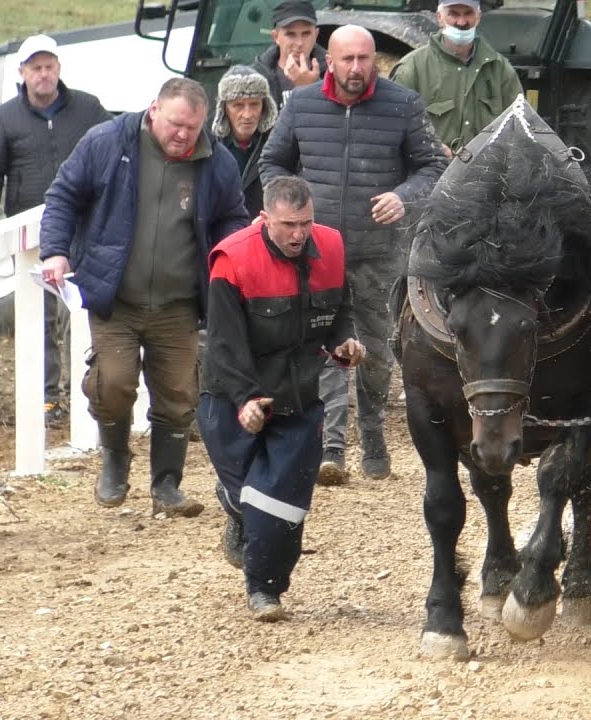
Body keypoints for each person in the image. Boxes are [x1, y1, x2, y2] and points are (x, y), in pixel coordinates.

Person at [39, 78, 249, 516]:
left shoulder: (217, 162)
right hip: (116, 296)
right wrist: (56, 251)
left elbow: (233, 217)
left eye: (192, 128)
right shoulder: (107, 142)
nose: (182, 135)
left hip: (179, 301)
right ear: (154, 110)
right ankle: (115, 459)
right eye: (175, 124)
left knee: (178, 392)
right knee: (112, 382)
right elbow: (63, 195)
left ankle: (167, 484)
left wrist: (227, 261)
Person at [260, 25, 447, 485]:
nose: (358, 68)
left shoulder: (403, 104)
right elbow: (272, 163)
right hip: (318, 251)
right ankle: (332, 448)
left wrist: (405, 196)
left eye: (366, 59)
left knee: (378, 351)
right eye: (348, 59)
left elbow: (434, 165)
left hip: (379, 250)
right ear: (331, 60)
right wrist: (292, 208)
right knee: (326, 347)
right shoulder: (301, 106)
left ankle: (374, 433)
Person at [198, 176, 364, 621]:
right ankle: (234, 502)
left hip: (297, 399)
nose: (299, 235)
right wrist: (245, 400)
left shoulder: (330, 247)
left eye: (306, 223)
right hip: (230, 397)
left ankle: (265, 590)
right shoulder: (232, 260)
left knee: (279, 507)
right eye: (288, 225)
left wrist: (345, 342)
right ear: (264, 218)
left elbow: (339, 311)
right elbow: (224, 344)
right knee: (249, 497)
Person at [0, 34, 110, 427]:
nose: (43, 74)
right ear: (22, 73)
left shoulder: (88, 108)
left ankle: (86, 390)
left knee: (81, 310)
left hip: (84, 226)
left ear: (58, 69)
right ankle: (48, 398)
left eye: (49, 66)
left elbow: (114, 150)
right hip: (29, 233)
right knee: (41, 314)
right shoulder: (5, 118)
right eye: (36, 67)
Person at [391, 0, 523, 155]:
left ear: (478, 17)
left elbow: (520, 126)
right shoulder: (411, 69)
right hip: (432, 172)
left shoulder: (500, 69)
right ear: (439, 17)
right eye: (453, 14)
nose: (461, 22)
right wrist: (433, 148)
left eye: (468, 13)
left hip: (485, 174)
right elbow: (393, 130)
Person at [212, 65, 279, 217]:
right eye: (238, 105)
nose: (247, 114)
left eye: (254, 104)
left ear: (264, 106)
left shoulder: (278, 142)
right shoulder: (208, 144)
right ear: (224, 108)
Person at [253, 0, 327, 109]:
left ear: (316, 35)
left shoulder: (333, 72)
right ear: (276, 37)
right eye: (290, 34)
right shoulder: (256, 77)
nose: (299, 43)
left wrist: (311, 87)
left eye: (306, 33)